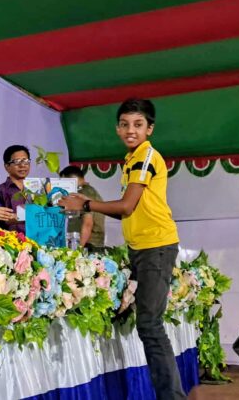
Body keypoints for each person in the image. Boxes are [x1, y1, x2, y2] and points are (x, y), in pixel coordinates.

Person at [57, 98, 184, 400]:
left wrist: (85, 204)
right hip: (141, 248)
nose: (131, 130)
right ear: (117, 128)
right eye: (125, 124)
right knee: (148, 325)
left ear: (150, 129)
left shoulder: (145, 157)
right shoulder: (130, 160)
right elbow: (127, 211)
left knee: (150, 326)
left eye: (138, 124)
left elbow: (126, 206)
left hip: (156, 246)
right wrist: (86, 205)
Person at [59, 165, 105, 250]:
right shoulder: (90, 191)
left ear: (66, 179)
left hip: (88, 245)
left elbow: (88, 223)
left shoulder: (84, 193)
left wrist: (78, 250)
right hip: (91, 244)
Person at [0, 144, 31, 233]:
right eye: (17, 162)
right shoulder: (0, 191)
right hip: (11, 240)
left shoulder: (38, 190)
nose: (22, 165)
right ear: (7, 166)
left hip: (37, 239)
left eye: (25, 161)